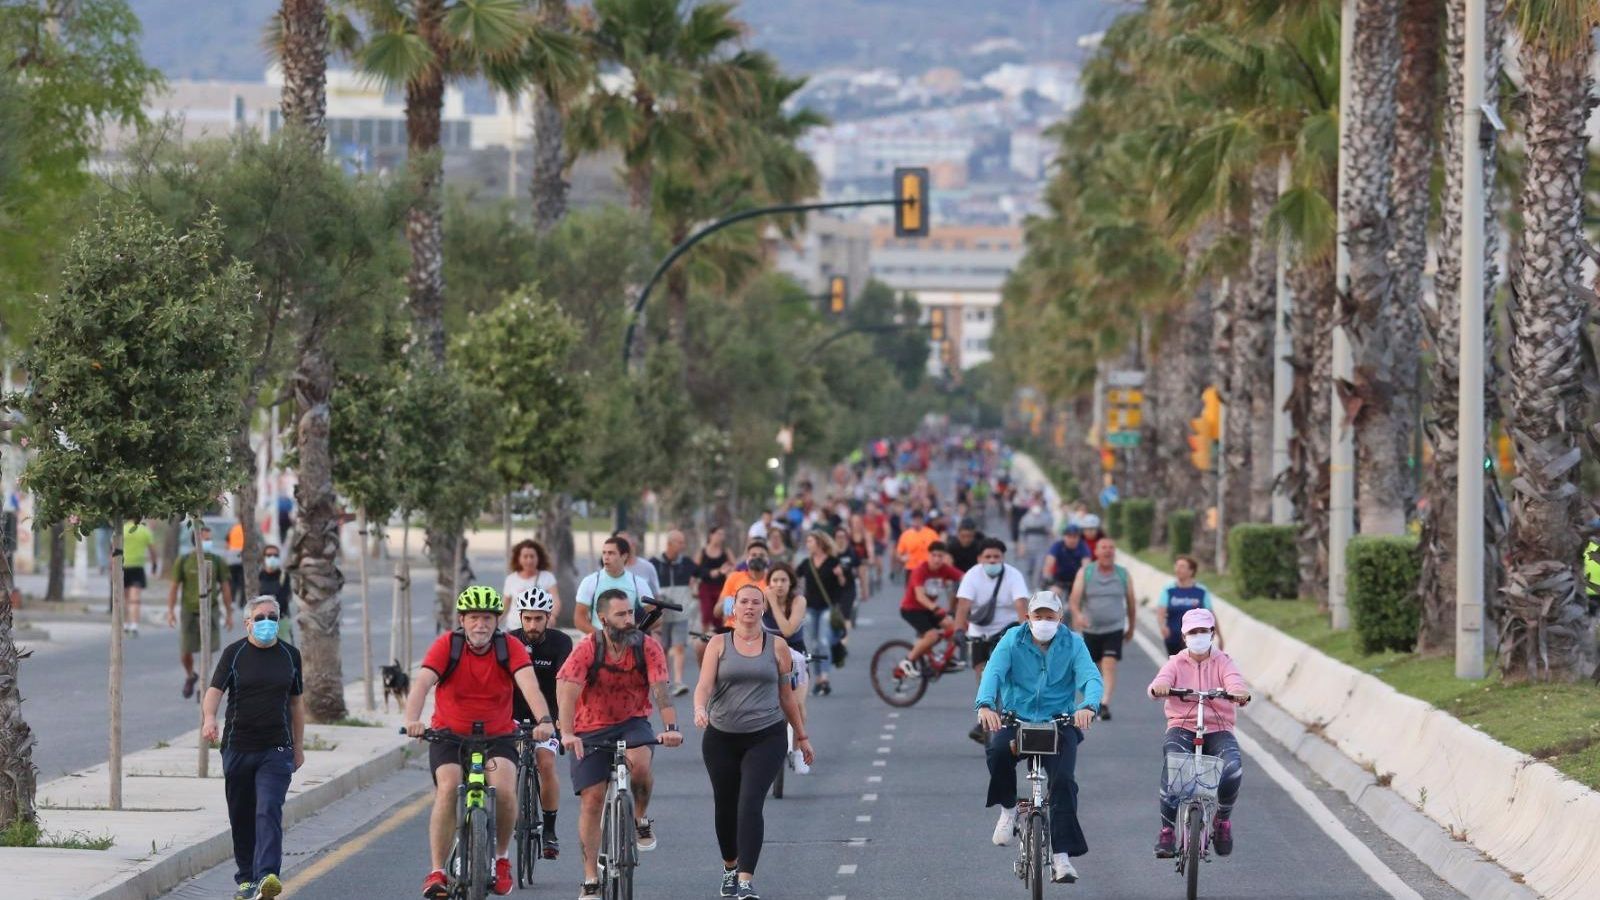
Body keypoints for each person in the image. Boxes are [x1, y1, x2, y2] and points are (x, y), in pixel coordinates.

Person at [403, 586, 555, 898]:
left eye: (487, 617)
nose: (480, 624)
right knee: (448, 787)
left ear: (496, 620)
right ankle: (437, 871)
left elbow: (529, 685)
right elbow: (422, 684)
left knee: (502, 790)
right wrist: (412, 721)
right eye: (474, 617)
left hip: (498, 735)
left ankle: (501, 860)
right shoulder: (448, 645)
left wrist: (544, 721)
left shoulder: (508, 647)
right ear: (462, 619)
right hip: (449, 733)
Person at [556, 590, 683, 900]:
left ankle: (640, 818)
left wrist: (670, 728)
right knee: (593, 799)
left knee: (640, 767)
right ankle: (590, 879)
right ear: (603, 620)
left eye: (630, 613)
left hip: (632, 721)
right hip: (590, 727)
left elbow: (661, 691)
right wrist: (569, 733)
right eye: (621, 615)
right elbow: (568, 691)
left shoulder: (647, 646)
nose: (629, 620)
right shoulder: (587, 648)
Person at [693, 582, 815, 900]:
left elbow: (786, 696)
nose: (749, 607)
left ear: (763, 609)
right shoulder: (719, 643)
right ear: (734, 609)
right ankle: (730, 867)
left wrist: (801, 736)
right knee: (726, 805)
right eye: (743, 602)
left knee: (750, 803)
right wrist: (698, 708)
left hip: (766, 735)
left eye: (755, 602)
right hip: (721, 737)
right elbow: (704, 685)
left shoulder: (777, 647)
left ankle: (746, 878)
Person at [976, 591, 1101, 885]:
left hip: (1059, 723)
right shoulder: (1011, 640)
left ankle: (1061, 858)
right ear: (1027, 618)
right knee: (996, 751)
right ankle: (1008, 810)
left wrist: (1088, 706)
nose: (1044, 621)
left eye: (1050, 616)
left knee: (1063, 783)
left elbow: (1091, 678)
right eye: (1038, 616)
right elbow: (992, 672)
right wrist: (984, 704)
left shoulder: (1073, 643)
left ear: (1060, 618)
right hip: (1016, 720)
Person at [202, 596, 304, 900]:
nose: (267, 622)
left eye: (273, 616)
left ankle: (267, 875)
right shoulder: (235, 654)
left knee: (269, 808)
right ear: (248, 622)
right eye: (260, 617)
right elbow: (214, 691)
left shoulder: (290, 655)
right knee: (242, 814)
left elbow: (297, 703)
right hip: (238, 747)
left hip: (277, 749)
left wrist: (298, 746)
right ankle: (246, 877)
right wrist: (209, 719)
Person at [1148, 608, 1251, 858]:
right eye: (1193, 632)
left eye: (1203, 631)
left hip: (1218, 728)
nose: (1198, 635)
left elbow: (1235, 681)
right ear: (1184, 636)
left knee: (1232, 768)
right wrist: (1161, 688)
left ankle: (1222, 821)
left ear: (1212, 633)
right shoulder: (1176, 662)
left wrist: (1238, 692)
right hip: (1182, 726)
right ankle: (1167, 831)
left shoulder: (1223, 661)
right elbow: (1159, 682)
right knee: (1175, 766)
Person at [507, 586, 573, 861]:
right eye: (528, 618)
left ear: (548, 618)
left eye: (538, 618)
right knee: (504, 768)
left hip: (547, 716)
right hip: (511, 715)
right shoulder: (508, 641)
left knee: (545, 761)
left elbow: (563, 683)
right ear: (520, 617)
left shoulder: (561, 642)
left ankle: (549, 830)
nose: (532, 625)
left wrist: (559, 719)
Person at [954, 537, 1030, 743]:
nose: (992, 561)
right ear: (979, 558)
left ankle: (1007, 716)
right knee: (983, 676)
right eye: (987, 557)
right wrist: (959, 630)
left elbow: (1021, 605)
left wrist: (1027, 633)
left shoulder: (1013, 575)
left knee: (1005, 674)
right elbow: (963, 606)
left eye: (996, 557)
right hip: (979, 631)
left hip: (1006, 630)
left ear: (1003, 558)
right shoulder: (971, 576)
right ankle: (984, 719)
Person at [1067, 537, 1137, 721]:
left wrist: (1131, 627)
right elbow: (1074, 600)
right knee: (1094, 668)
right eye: (1103, 547)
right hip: (1091, 629)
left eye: (1111, 547)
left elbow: (1131, 602)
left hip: (1114, 627)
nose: (1107, 551)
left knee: (1109, 663)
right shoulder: (1086, 572)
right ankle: (1095, 699)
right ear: (1096, 552)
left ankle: (1104, 703)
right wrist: (1078, 616)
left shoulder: (1123, 574)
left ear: (1115, 552)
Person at [167, 526, 235, 699]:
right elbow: (174, 587)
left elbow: (226, 587)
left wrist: (228, 613)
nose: (208, 542)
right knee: (185, 650)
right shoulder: (184, 561)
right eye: (205, 539)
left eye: (209, 538)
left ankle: (203, 685)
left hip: (210, 610)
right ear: (195, 542)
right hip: (189, 611)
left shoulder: (218, 561)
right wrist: (170, 611)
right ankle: (191, 675)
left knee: (208, 650)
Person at [761, 563, 810, 774]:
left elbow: (788, 630)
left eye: (783, 581)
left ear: (791, 584)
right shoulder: (762, 599)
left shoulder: (798, 601)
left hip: (795, 656)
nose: (779, 585)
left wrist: (773, 602)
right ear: (769, 583)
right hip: (767, 655)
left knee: (797, 705)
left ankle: (798, 750)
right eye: (775, 581)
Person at [894, 541, 966, 677]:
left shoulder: (944, 569)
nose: (937, 559)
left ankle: (947, 660)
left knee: (953, 627)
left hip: (929, 610)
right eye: (934, 555)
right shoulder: (920, 571)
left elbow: (965, 578)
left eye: (940, 556)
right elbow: (920, 596)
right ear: (928, 556)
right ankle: (907, 661)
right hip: (911, 609)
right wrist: (936, 608)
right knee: (932, 635)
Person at [573, 536, 655, 636]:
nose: (606, 557)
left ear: (624, 556)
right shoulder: (590, 581)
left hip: (628, 643)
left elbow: (655, 617)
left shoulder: (638, 582)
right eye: (604, 553)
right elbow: (579, 619)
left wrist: (635, 632)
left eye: (611, 553)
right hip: (599, 643)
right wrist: (603, 638)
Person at [796, 531, 845, 696]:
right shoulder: (806, 563)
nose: (808, 544)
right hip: (810, 607)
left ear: (819, 543)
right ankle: (817, 679)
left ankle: (825, 678)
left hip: (827, 607)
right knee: (814, 643)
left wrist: (840, 576)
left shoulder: (833, 562)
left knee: (824, 641)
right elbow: (793, 578)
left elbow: (843, 585)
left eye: (810, 541)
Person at [652, 529, 698, 696]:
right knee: (662, 648)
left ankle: (678, 681)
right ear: (669, 544)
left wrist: (719, 572)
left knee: (679, 647)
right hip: (661, 614)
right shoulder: (654, 563)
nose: (683, 545)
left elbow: (704, 574)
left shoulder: (687, 562)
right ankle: (666, 681)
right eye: (680, 542)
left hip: (680, 612)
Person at [1158, 555, 1221, 657]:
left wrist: (1219, 635)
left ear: (1191, 571)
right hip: (1173, 637)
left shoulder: (1201, 591)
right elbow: (1161, 611)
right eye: (1177, 566)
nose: (1178, 569)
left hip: (1196, 639)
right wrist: (1162, 626)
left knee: (1192, 666)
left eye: (1182, 566)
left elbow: (1211, 614)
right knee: (1177, 668)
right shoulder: (1168, 590)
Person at [504, 538, 561, 627]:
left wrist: (552, 616)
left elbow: (555, 600)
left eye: (532, 556)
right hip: (514, 627)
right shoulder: (511, 579)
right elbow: (505, 606)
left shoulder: (547, 577)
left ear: (538, 558)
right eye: (525, 556)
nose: (529, 560)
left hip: (539, 629)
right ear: (518, 558)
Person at [718, 540, 772, 629]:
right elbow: (716, 612)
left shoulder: (772, 581)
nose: (757, 558)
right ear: (747, 559)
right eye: (753, 555)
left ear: (768, 559)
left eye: (762, 555)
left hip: (760, 629)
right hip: (732, 627)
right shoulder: (734, 577)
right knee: (701, 642)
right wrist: (726, 603)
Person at [695, 526, 735, 633]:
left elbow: (734, 567)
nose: (720, 537)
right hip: (706, 587)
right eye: (718, 534)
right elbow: (695, 570)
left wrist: (726, 570)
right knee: (706, 614)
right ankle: (703, 639)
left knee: (721, 615)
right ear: (711, 535)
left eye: (722, 535)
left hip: (722, 587)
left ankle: (719, 639)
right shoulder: (703, 551)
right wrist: (712, 572)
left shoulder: (726, 551)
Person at [122, 519, 157, 636]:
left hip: (123, 566)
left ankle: (126, 624)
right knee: (135, 598)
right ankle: (134, 625)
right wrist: (154, 564)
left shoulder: (121, 529)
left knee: (125, 598)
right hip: (137, 567)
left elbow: (112, 548)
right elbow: (152, 550)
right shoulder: (145, 531)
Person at [1043, 524, 1090, 598]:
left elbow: (1086, 565)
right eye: (1069, 536)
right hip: (1060, 579)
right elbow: (1049, 562)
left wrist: (1084, 579)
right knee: (1052, 594)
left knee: (1081, 596)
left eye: (1074, 537)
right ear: (1064, 537)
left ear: (1079, 538)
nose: (1072, 540)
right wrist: (1047, 576)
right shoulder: (1057, 545)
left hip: (1077, 579)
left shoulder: (1083, 546)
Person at [258, 544, 293, 643]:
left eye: (275, 555)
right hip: (261, 622)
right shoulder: (258, 576)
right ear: (264, 557)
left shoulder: (283, 576)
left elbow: (284, 598)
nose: (272, 558)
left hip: (280, 620)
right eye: (269, 555)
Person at [1017, 498, 1054, 587]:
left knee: (1039, 568)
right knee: (1029, 569)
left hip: (1042, 548)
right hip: (1029, 548)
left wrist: (1051, 548)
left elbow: (1051, 534)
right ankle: (1029, 587)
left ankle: (1037, 587)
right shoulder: (1025, 518)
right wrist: (1021, 547)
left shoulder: (1047, 518)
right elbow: (1022, 534)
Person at [894, 509, 939, 577]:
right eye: (915, 520)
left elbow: (939, 549)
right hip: (911, 568)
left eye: (919, 519)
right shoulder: (906, 535)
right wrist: (902, 558)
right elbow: (899, 552)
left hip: (927, 568)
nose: (917, 522)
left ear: (922, 520)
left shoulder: (931, 534)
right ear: (911, 520)